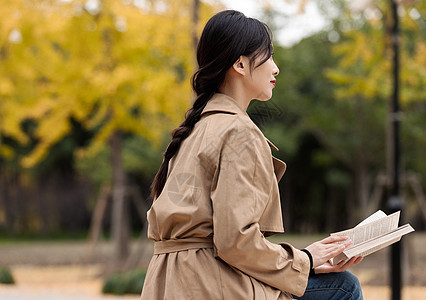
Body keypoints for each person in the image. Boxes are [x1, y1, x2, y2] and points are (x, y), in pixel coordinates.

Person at [140, 10, 364, 300]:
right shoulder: (239, 132)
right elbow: (235, 242)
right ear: (241, 64)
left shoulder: (193, 130)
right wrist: (306, 259)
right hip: (212, 285)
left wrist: (304, 262)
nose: (275, 68)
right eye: (268, 56)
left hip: (168, 284)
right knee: (344, 287)